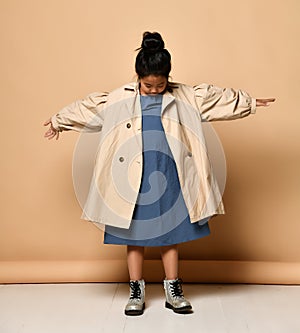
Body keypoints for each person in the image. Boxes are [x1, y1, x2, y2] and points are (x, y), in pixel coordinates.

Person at [44, 31, 275, 316]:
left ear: (169, 78)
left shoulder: (187, 96)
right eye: (147, 85)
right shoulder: (118, 99)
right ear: (138, 77)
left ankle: (173, 288)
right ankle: (136, 289)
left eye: (160, 85)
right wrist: (58, 121)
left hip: (170, 173)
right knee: (134, 236)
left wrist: (249, 103)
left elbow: (218, 99)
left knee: (170, 233)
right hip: (132, 177)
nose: (154, 90)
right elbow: (87, 108)